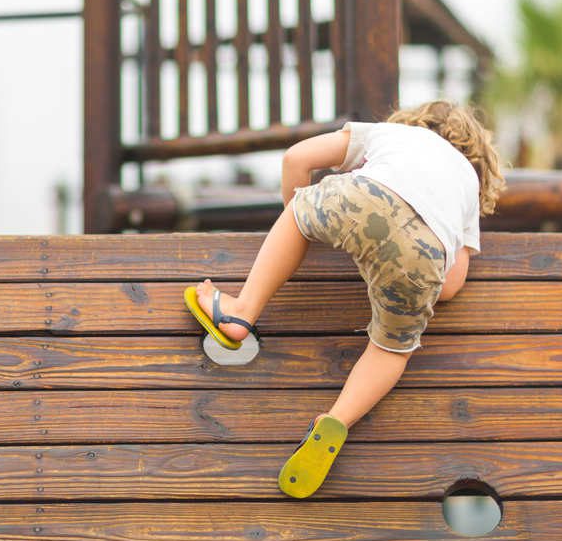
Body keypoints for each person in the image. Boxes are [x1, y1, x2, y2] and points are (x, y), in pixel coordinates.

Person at [183, 100, 506, 499]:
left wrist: (302, 226)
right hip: (425, 253)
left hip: (360, 199)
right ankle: (336, 420)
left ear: (415, 122)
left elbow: (296, 159)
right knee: (391, 350)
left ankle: (240, 311)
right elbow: (453, 283)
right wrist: (400, 280)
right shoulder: (467, 185)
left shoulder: (393, 134)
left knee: (301, 212)